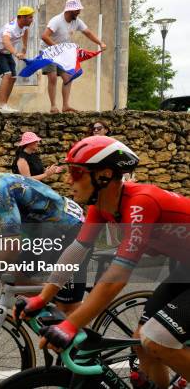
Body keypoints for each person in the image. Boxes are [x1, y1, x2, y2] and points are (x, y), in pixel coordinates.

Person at [13, 136, 190, 389]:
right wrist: (42, 298)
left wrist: (71, 324)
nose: (67, 180)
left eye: (76, 173)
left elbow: (117, 277)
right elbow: (77, 250)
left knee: (156, 339)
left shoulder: (140, 204)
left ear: (104, 175)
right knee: (142, 343)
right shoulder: (101, 205)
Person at [0, 135, 87, 314]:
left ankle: (65, 308)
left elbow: (12, 244)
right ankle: (49, 304)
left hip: (70, 228)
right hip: (43, 230)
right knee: (11, 277)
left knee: (68, 308)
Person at [41, 0, 106, 113]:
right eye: (77, 10)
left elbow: (88, 33)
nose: (79, 12)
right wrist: (58, 48)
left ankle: (65, 106)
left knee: (68, 77)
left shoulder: (77, 21)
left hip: (62, 53)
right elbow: (45, 37)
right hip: (48, 51)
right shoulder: (56, 20)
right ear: (70, 10)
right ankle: (53, 106)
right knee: (52, 77)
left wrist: (100, 43)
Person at [0, 6, 35, 113]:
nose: (32, 20)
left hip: (6, 52)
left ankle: (5, 105)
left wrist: (24, 47)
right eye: (30, 17)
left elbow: (25, 31)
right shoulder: (10, 28)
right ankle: (2, 106)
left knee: (13, 77)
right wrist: (16, 53)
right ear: (22, 18)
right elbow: (6, 41)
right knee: (7, 75)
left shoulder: (23, 25)